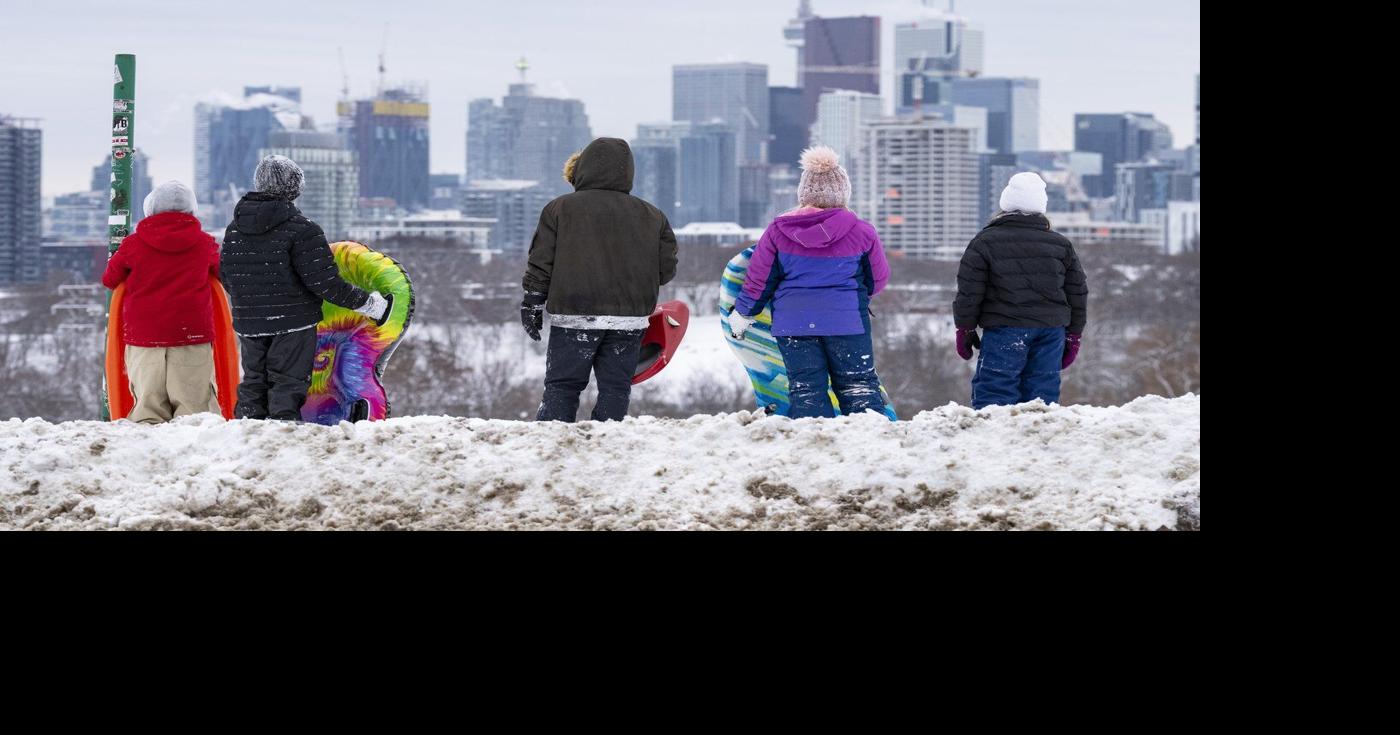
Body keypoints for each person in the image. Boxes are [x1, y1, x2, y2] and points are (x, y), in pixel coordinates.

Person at [220, 154, 390, 420]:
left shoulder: (234, 230)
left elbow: (229, 277)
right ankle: (283, 436)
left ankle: (247, 432)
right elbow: (326, 283)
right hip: (293, 324)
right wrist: (371, 304)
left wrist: (254, 303)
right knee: (287, 384)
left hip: (249, 321)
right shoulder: (303, 231)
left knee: (254, 383)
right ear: (294, 188)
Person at [521, 138, 678, 422]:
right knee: (615, 389)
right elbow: (666, 271)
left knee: (562, 387)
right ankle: (607, 447)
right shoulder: (653, 215)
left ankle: (552, 448)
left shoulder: (559, 209)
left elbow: (541, 262)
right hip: (628, 320)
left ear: (582, 169)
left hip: (575, 317)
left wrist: (532, 303)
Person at [727, 146, 890, 419]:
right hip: (847, 321)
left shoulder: (777, 231)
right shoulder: (862, 231)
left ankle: (815, 444)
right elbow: (878, 280)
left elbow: (759, 279)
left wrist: (743, 313)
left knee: (807, 389)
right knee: (858, 385)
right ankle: (867, 444)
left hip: (794, 323)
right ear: (843, 193)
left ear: (803, 193)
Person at [952, 172, 1089, 409]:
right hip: (1050, 331)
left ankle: (993, 441)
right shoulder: (1060, 244)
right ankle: (1038, 441)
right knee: (1041, 398)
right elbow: (1077, 293)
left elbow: (969, 291)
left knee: (995, 393)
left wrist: (965, 327)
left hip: (1005, 328)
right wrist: (1073, 334)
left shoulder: (985, 241)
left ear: (1006, 206)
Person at [102, 180, 222, 423]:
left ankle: (150, 457)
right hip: (192, 334)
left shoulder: (133, 244)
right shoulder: (204, 243)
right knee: (194, 410)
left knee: (148, 408)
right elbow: (223, 274)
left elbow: (110, 278)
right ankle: (193, 457)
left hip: (144, 336)